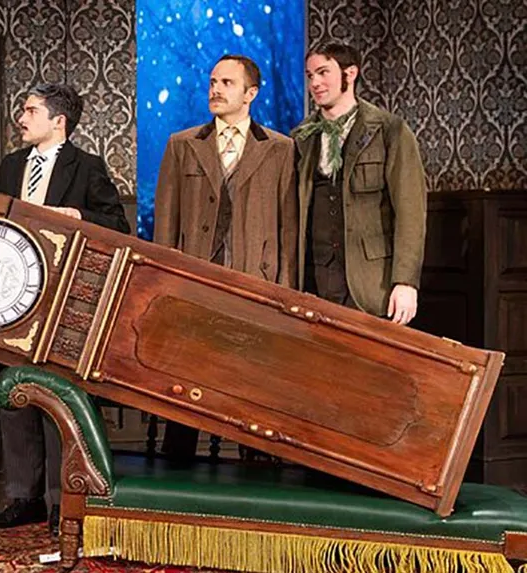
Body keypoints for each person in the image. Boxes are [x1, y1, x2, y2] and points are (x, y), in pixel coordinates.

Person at [0, 82, 130, 536]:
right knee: (14, 393)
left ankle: (58, 500)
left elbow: (118, 225)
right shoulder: (11, 166)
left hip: (64, 298)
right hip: (9, 295)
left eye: (30, 110)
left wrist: (79, 217)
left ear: (58, 121)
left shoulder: (86, 168)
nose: (21, 118)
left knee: (56, 395)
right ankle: (22, 497)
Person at [153, 54, 297, 461]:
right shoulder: (182, 145)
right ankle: (176, 472)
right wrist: (166, 283)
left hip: (255, 284)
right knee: (185, 379)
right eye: (213, 81)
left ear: (251, 93)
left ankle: (259, 472)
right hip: (195, 285)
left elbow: (288, 227)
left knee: (253, 385)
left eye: (227, 83)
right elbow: (166, 222)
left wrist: (284, 292)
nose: (215, 89)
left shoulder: (280, 150)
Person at [291, 42, 426, 324]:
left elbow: (411, 212)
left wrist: (406, 282)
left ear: (350, 74)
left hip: (370, 283)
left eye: (323, 72)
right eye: (309, 75)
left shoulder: (389, 130)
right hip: (315, 280)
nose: (314, 82)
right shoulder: (301, 137)